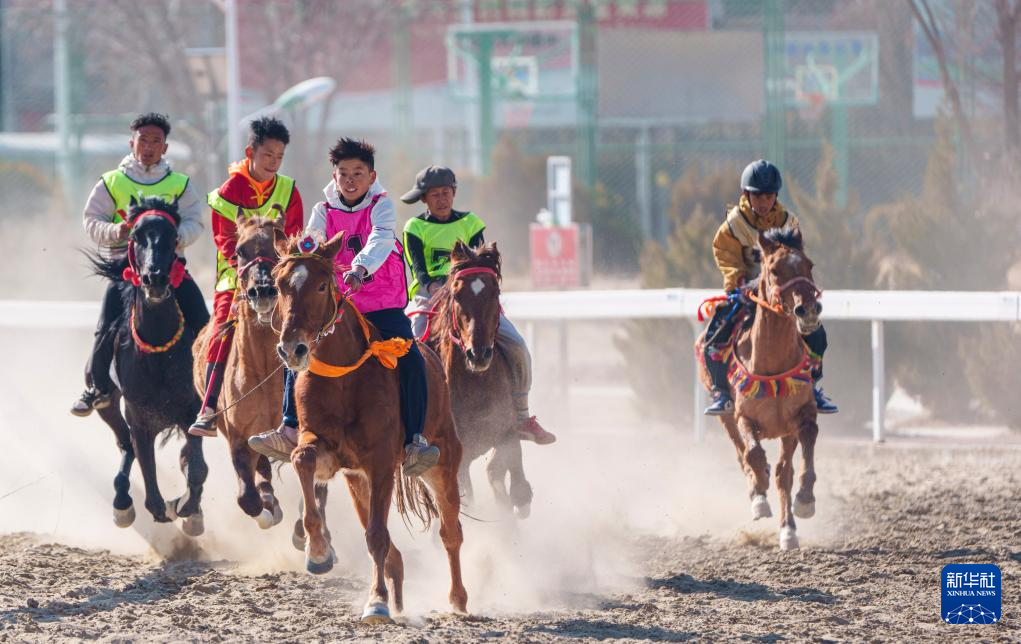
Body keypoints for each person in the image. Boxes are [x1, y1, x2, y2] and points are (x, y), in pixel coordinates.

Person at [248, 138, 440, 476]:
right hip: (337, 304)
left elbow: (381, 239)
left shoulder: (381, 205)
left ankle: (415, 440)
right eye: (344, 174)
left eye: (358, 173)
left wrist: (360, 268)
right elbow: (312, 242)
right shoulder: (323, 210)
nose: (350, 180)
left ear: (371, 176)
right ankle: (289, 427)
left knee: (411, 356)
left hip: (381, 302)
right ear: (334, 177)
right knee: (297, 345)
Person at [401, 165, 555, 444]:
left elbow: (479, 263)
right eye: (435, 195)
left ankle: (522, 416)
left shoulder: (471, 223)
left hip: (471, 298)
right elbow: (418, 269)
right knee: (410, 348)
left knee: (518, 345)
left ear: (454, 192)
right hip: (428, 296)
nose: (442, 199)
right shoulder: (415, 227)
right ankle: (409, 419)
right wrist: (439, 288)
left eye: (446, 192)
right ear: (424, 199)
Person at [72, 113, 207, 417]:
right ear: (131, 142)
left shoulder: (180, 184)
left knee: (202, 319)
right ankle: (97, 388)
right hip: (126, 271)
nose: (148, 147)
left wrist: (178, 238)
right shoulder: (112, 182)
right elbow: (91, 220)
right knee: (106, 326)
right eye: (143, 140)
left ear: (165, 147)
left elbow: (195, 222)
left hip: (170, 269)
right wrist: (115, 231)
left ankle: (211, 391)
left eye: (155, 141)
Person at [187, 116, 304, 436]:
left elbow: (293, 236)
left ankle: (311, 405)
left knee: (306, 321)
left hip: (279, 275)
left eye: (279, 157)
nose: (274, 163)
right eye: (268, 155)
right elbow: (225, 241)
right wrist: (250, 271)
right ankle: (209, 406)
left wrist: (279, 270)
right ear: (250, 152)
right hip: (236, 275)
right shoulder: (228, 192)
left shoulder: (289, 190)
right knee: (221, 328)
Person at [702, 159, 838, 416]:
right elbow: (722, 251)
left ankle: (812, 388)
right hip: (745, 291)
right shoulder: (735, 223)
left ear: (776, 195)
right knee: (715, 336)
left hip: (780, 293)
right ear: (746, 195)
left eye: (768, 196)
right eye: (757, 196)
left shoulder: (789, 222)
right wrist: (736, 278)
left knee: (817, 335)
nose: (763, 202)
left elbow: (797, 258)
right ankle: (721, 392)